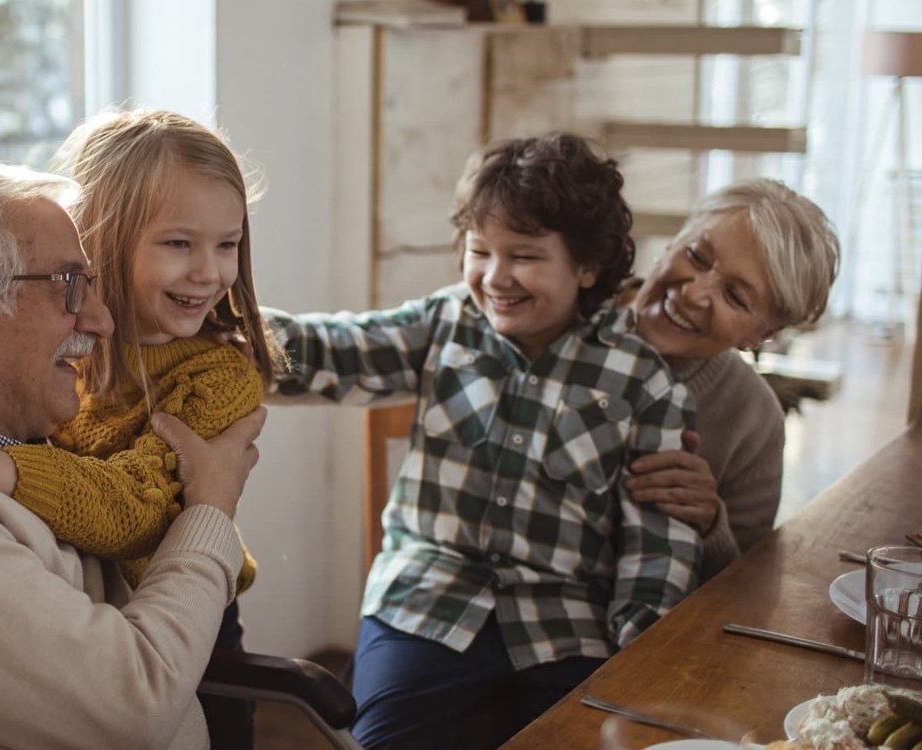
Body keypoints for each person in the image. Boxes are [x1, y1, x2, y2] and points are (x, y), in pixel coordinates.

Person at [0, 109, 282, 749]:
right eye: (68, 284)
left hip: (192, 604)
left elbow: (130, 509)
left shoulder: (199, 377)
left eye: (226, 245)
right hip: (156, 625)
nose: (99, 320)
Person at [264, 134, 702, 750]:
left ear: (587, 266)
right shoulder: (445, 323)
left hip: (567, 623)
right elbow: (332, 348)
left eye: (524, 256)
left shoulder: (642, 379)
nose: (495, 278)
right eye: (479, 251)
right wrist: (219, 321)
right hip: (426, 600)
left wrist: (637, 663)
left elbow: (656, 552)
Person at [622, 178, 840, 579]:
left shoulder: (755, 418)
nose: (694, 293)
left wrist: (708, 523)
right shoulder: (558, 315)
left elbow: (746, 589)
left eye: (735, 297)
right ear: (675, 240)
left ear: (760, 336)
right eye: (697, 256)